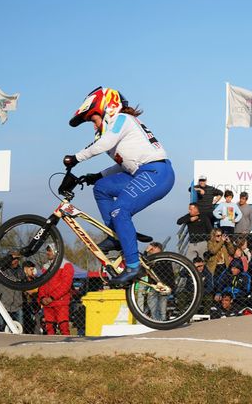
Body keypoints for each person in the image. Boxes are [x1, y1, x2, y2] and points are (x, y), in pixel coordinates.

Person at [64, 87, 174, 287]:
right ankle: (115, 236)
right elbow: (123, 164)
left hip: (157, 173)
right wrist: (98, 175)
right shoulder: (118, 130)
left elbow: (104, 143)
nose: (93, 126)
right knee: (101, 187)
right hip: (141, 172)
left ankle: (133, 265)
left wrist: (76, 158)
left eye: (93, 119)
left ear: (108, 108)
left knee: (120, 209)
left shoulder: (123, 120)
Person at [38, 246, 74, 335]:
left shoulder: (66, 265)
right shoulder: (45, 267)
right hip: (48, 302)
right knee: (49, 328)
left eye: (49, 251)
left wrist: (52, 297)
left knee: (64, 327)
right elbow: (42, 283)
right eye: (47, 251)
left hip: (60, 302)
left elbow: (66, 285)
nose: (47, 253)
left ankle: (67, 346)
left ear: (56, 251)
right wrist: (42, 297)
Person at [0, 253, 24, 332]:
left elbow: (22, 276)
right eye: (14, 259)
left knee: (20, 327)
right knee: (1, 326)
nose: (16, 261)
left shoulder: (19, 271)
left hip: (17, 305)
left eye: (17, 259)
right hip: (3, 304)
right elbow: (0, 264)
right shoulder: (2, 270)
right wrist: (10, 257)